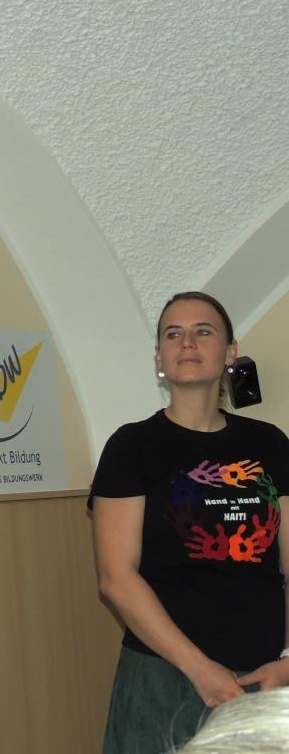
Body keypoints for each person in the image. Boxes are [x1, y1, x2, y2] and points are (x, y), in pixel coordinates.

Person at [91, 291, 289, 754]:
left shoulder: (271, 444)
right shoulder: (131, 447)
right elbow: (116, 578)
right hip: (164, 674)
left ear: (230, 351)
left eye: (203, 332)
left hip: (266, 675)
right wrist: (201, 670)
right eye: (172, 334)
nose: (187, 344)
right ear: (159, 357)